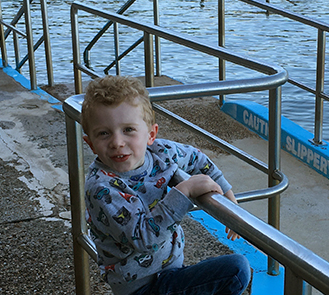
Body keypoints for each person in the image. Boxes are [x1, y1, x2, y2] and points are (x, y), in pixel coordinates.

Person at [81, 75, 251, 295]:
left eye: (128, 130)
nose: (117, 142)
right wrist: (185, 190)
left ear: (151, 134)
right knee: (236, 271)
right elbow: (143, 238)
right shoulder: (101, 187)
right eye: (104, 133)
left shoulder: (161, 152)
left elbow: (196, 159)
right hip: (140, 288)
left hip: (169, 271)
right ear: (91, 144)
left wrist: (229, 199)